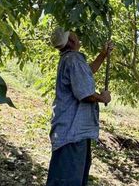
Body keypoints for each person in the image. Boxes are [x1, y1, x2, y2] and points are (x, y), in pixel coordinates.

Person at [46, 27, 113, 186]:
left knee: (66, 176)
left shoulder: (69, 59)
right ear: (71, 40)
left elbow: (87, 72)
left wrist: (103, 54)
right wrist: (102, 97)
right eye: (72, 33)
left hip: (71, 131)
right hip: (73, 131)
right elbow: (85, 94)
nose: (76, 34)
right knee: (69, 179)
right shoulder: (74, 60)